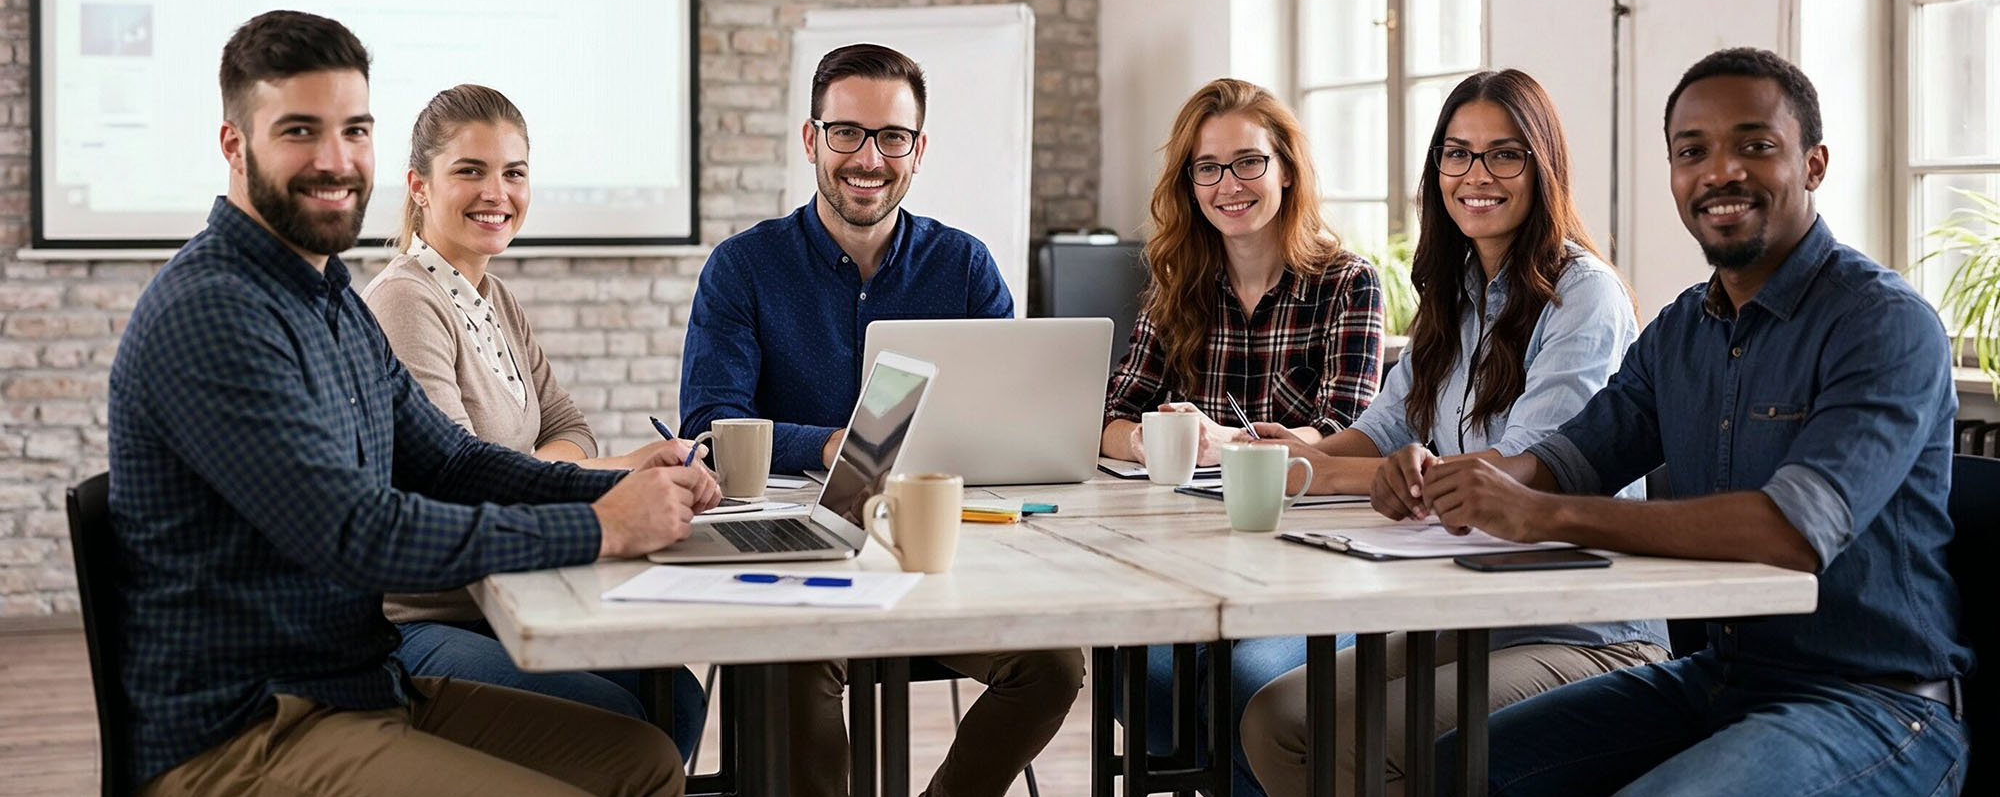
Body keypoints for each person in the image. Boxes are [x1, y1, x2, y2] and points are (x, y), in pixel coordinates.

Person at [107, 10, 718, 797]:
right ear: (235, 145)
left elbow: (454, 460)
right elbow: (359, 533)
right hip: (248, 731)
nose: (337, 160)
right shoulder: (216, 311)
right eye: (300, 131)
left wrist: (623, 489)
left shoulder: (328, 296)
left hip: (358, 689)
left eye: (355, 131)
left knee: (643, 761)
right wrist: (604, 524)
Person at [1423, 48, 1970, 795]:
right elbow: (1569, 458)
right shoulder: (1684, 328)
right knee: (1460, 768)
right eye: (1692, 152)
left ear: (1813, 165)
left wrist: (1542, 512)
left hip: (1874, 705)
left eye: (1754, 145)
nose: (1719, 172)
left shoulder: (1882, 324)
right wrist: (1457, 480)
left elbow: (1789, 532)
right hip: (1723, 679)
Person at [1236, 69, 1669, 796]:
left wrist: (1317, 474)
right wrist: (1297, 452)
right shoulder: (1455, 288)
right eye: (1457, 153)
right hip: (1474, 611)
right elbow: (1383, 428)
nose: (1476, 175)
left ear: (1543, 167)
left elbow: (1525, 472)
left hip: (1585, 631)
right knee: (1276, 716)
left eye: (1504, 154)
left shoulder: (1582, 294)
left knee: (1348, 739)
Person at [679, 43, 1083, 797]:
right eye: (847, 134)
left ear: (917, 150)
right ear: (811, 140)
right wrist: (833, 443)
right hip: (801, 559)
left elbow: (1014, 411)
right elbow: (709, 424)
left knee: (1054, 664)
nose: (869, 158)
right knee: (795, 663)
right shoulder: (742, 268)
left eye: (891, 137)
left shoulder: (964, 266)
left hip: (943, 554)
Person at [360, 84, 708, 755]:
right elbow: (461, 477)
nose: (498, 192)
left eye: (514, 173)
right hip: (427, 622)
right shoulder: (406, 301)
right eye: (470, 171)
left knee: (676, 696)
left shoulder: (491, 296)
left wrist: (621, 463)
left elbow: (572, 424)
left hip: (515, 593)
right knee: (632, 723)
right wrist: (603, 475)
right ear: (420, 186)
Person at [1098, 78, 1385, 796]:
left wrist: (1225, 439)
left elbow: (1348, 435)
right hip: (1188, 555)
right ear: (1190, 182)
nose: (1229, 184)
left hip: (1306, 562)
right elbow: (1109, 417)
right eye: (1208, 167)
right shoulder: (1176, 288)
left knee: (1249, 684)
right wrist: (1149, 440)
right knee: (1141, 678)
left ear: (1286, 169)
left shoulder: (1348, 284)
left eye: (1249, 162)